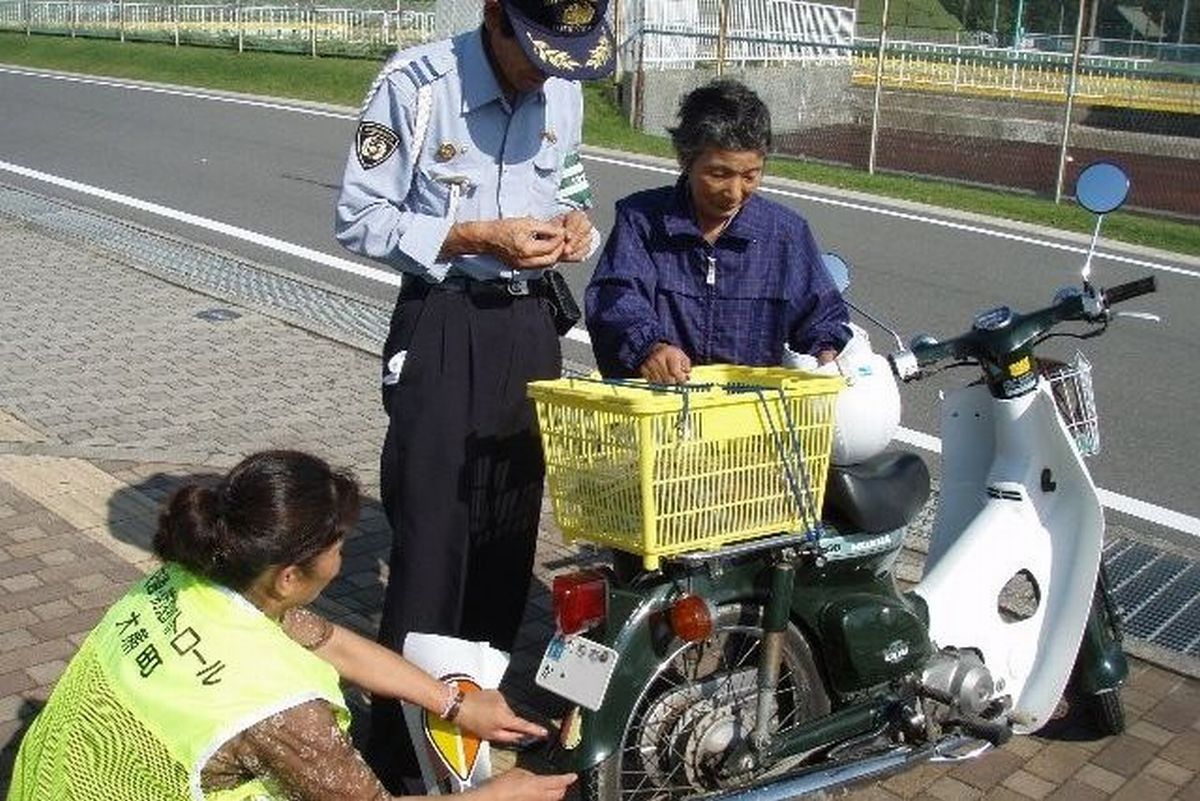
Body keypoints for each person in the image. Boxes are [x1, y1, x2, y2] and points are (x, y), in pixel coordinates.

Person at [333, 0, 614, 792]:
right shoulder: (415, 85)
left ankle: (473, 734)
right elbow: (356, 215)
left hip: (529, 327)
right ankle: (398, 747)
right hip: (445, 318)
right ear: (494, 15)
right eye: (530, 50)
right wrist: (470, 234)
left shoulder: (562, 85)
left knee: (504, 533)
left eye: (562, 54)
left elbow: (571, 175)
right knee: (430, 543)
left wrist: (575, 224)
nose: (542, 71)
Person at [6, 450, 575, 801]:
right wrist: (497, 795)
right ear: (288, 576)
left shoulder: (194, 582)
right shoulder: (282, 708)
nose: (344, 560)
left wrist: (452, 704)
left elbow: (330, 643)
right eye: (339, 547)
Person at [585, 79, 850, 382]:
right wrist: (649, 347)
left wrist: (827, 351)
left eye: (750, 176)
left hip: (752, 412)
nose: (734, 192)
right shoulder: (642, 220)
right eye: (719, 174)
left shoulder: (785, 233)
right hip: (660, 412)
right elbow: (615, 298)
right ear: (686, 159)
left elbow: (821, 315)